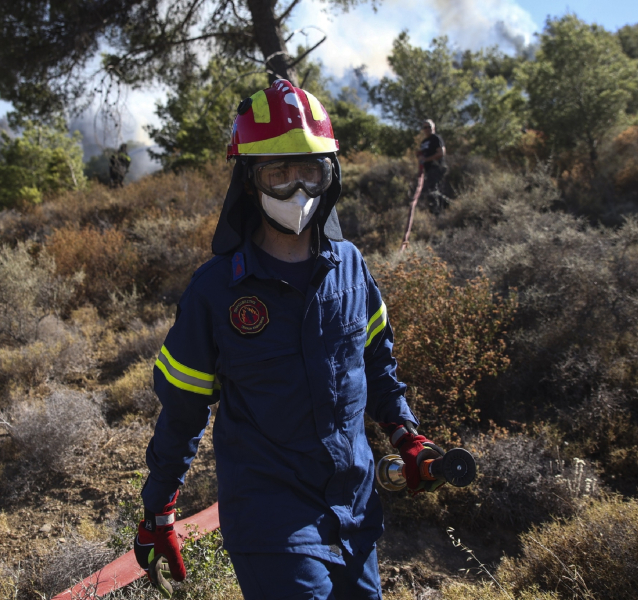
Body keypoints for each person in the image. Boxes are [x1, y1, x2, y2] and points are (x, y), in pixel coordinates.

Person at [134, 79, 440, 599]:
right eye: (278, 173)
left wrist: (405, 434)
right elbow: (183, 411)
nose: (296, 189)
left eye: (310, 171)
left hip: (355, 506)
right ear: (249, 181)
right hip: (270, 516)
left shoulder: (351, 267)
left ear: (331, 175)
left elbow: (378, 363)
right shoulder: (214, 292)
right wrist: (159, 508)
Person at [417, 119, 448, 214]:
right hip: (428, 169)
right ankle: (444, 208)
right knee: (432, 191)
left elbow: (441, 153)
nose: (427, 129)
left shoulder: (436, 138)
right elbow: (423, 155)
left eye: (429, 127)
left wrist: (426, 159)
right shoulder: (424, 142)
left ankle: (437, 213)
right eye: (425, 127)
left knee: (433, 191)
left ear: (433, 128)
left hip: (436, 167)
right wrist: (420, 156)